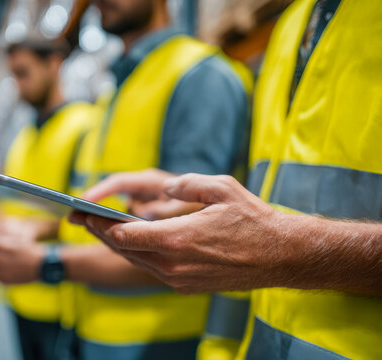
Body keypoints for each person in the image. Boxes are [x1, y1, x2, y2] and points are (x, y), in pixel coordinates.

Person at [69, 0, 382, 359]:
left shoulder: (204, 73)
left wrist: (283, 250)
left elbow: (261, 237)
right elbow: (266, 197)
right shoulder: (292, 25)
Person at [0, 0, 253, 359]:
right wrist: (41, 231)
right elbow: (102, 211)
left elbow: (189, 241)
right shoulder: (113, 95)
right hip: (91, 326)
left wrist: (49, 263)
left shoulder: (200, 76)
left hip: (161, 339)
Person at [0, 38, 99, 360]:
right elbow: (17, 206)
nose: (18, 85)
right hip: (18, 288)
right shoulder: (23, 137)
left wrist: (34, 231)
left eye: (24, 73)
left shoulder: (85, 126)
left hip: (59, 296)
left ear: (54, 65)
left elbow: (93, 215)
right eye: (13, 76)